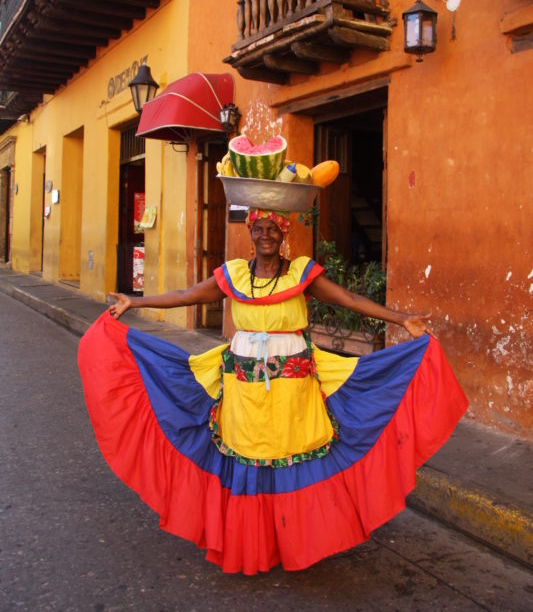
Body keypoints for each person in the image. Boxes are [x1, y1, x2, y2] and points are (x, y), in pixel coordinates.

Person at [78, 207, 467, 576]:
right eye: (258, 229)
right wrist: (136, 301)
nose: (266, 236)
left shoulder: (301, 274)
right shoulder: (233, 274)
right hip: (242, 388)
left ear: (284, 236)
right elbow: (188, 295)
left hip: (294, 388)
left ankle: (294, 541)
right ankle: (254, 544)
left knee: (290, 456)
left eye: (273, 230)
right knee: (249, 456)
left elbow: (348, 299)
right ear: (250, 235)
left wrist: (401, 319)